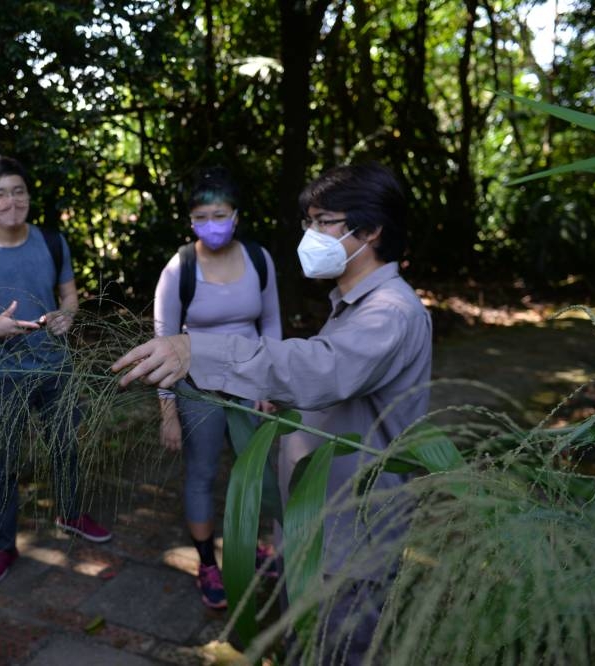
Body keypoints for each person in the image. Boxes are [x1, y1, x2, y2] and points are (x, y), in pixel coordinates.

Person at [113, 162, 432, 661]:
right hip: (317, 526)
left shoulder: (390, 310)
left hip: (348, 542)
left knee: (336, 651)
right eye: (308, 221)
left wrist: (201, 351)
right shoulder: (352, 302)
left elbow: (322, 368)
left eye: (323, 220)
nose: (310, 234)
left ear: (370, 231)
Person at [0, 154, 112, 587]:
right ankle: (4, 545)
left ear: (28, 194)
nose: (11, 201)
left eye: (17, 191)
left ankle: (72, 512)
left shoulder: (52, 242)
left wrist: (66, 318)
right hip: (5, 375)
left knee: (66, 446)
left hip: (55, 366)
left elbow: (70, 298)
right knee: (4, 462)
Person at [153, 167, 282, 609]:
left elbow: (271, 324)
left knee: (256, 470)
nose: (213, 224)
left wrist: (271, 381)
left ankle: (251, 545)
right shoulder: (179, 270)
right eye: (202, 216)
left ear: (236, 216)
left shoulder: (259, 260)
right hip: (198, 389)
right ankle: (208, 562)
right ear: (191, 221)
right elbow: (163, 341)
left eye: (220, 215)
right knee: (203, 472)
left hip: (250, 382)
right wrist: (168, 411)